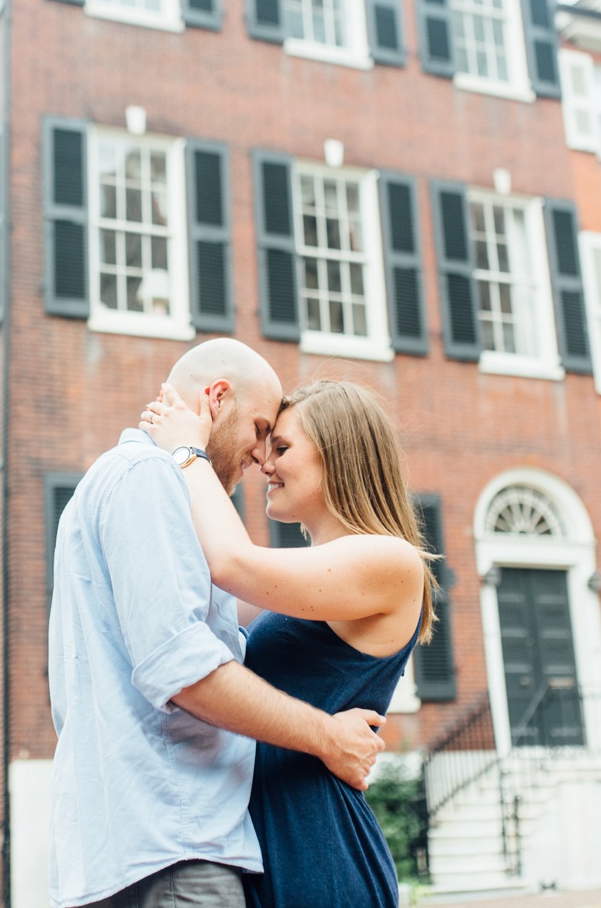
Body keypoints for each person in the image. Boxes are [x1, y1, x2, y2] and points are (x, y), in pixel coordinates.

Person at [48, 339, 388, 908]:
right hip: (173, 847)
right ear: (216, 397)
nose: (262, 459)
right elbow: (180, 666)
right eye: (260, 432)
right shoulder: (151, 477)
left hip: (134, 843)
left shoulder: (113, 481)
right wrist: (328, 736)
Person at [141, 378, 438, 908]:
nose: (264, 463)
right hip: (257, 828)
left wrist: (187, 452)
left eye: (281, 448)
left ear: (338, 455)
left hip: (315, 842)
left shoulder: (392, 561)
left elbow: (230, 563)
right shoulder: (306, 584)